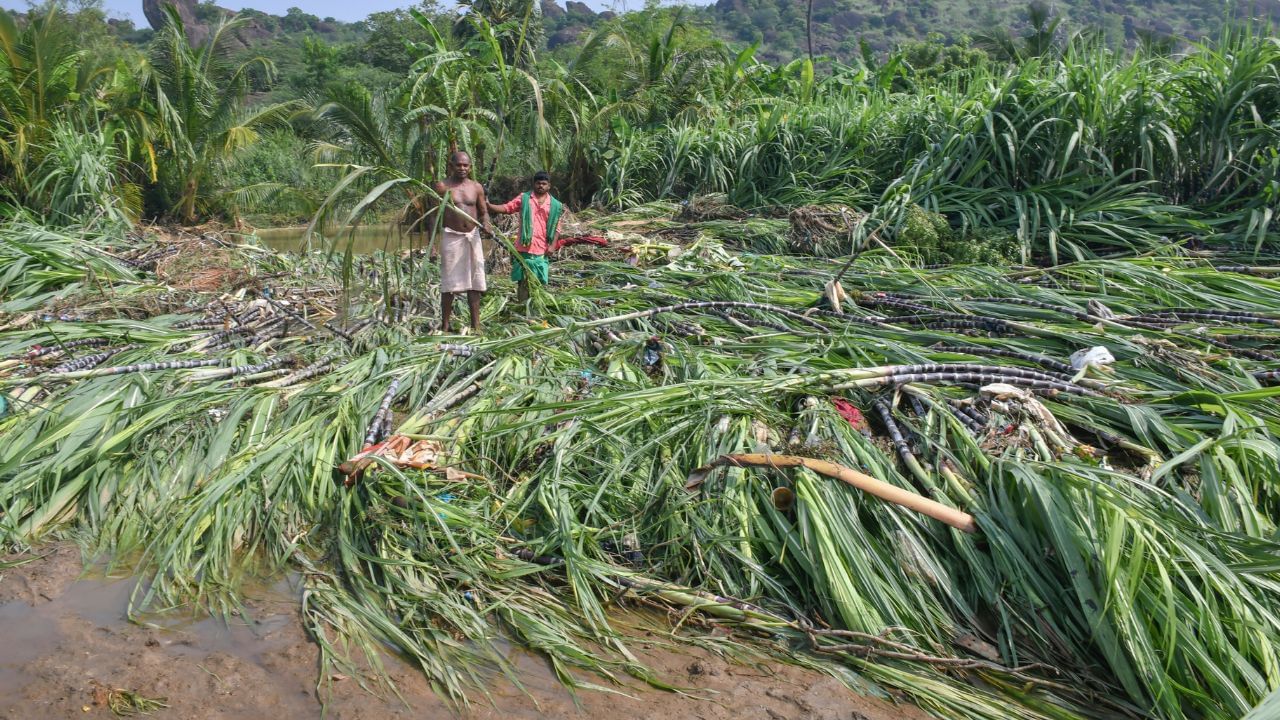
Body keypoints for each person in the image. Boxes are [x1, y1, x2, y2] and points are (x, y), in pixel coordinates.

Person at [430, 151, 491, 334]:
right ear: (451, 166)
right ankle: (446, 325)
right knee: (449, 283)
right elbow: (433, 216)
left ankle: (476, 326)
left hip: (472, 237)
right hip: (452, 237)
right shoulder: (442, 187)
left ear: (470, 167)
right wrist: (432, 245)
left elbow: (483, 211)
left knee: (475, 281)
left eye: (466, 165)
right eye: (458, 165)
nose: (462, 168)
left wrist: (487, 223)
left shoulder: (476, 187)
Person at [487, 171, 565, 305]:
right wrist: (489, 205)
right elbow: (507, 208)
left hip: (542, 248)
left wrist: (552, 246)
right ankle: (523, 306)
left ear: (549, 186)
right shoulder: (524, 198)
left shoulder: (555, 205)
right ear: (534, 184)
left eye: (544, 184)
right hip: (524, 246)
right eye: (538, 183)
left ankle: (535, 306)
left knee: (539, 280)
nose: (541, 186)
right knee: (523, 279)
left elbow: (557, 227)